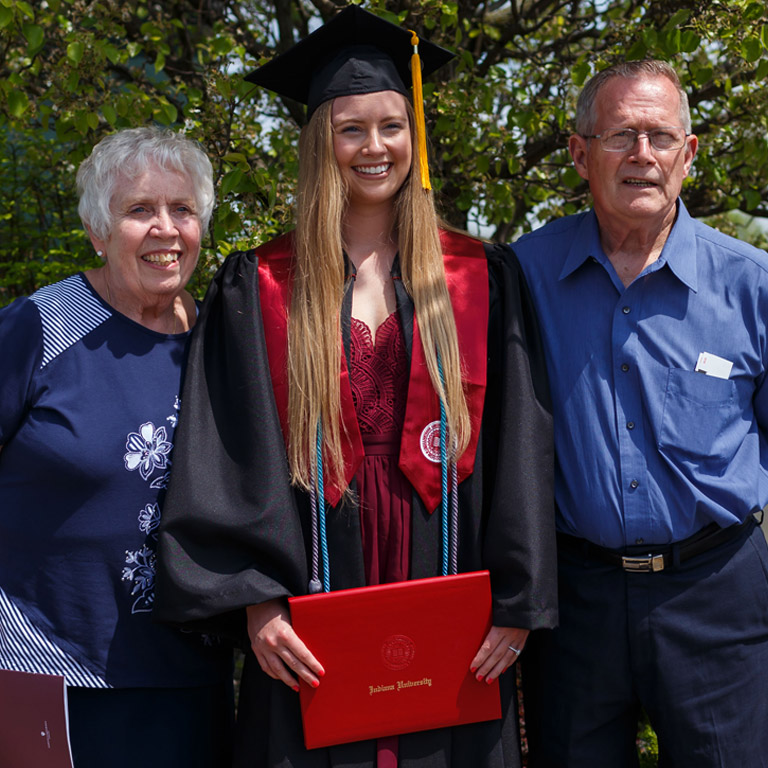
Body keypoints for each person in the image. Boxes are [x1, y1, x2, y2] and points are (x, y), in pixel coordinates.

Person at [153, 6, 557, 768]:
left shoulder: (480, 278)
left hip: (450, 580)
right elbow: (227, 448)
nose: (374, 148)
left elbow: (519, 442)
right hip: (311, 583)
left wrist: (517, 601)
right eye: (350, 129)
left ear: (416, 138)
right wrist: (256, 604)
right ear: (319, 144)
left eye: (392, 126)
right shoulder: (261, 285)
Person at [515, 59, 768, 766]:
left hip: (717, 594)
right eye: (621, 135)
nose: (642, 156)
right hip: (574, 604)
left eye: (660, 137)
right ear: (578, 153)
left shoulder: (753, 287)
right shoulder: (521, 277)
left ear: (689, 154)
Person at [0, 127, 234, 768]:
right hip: (47, 668)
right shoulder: (46, 325)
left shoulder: (224, 345)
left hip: (191, 677)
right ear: (97, 231)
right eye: (139, 211)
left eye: (182, 209)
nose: (166, 229)